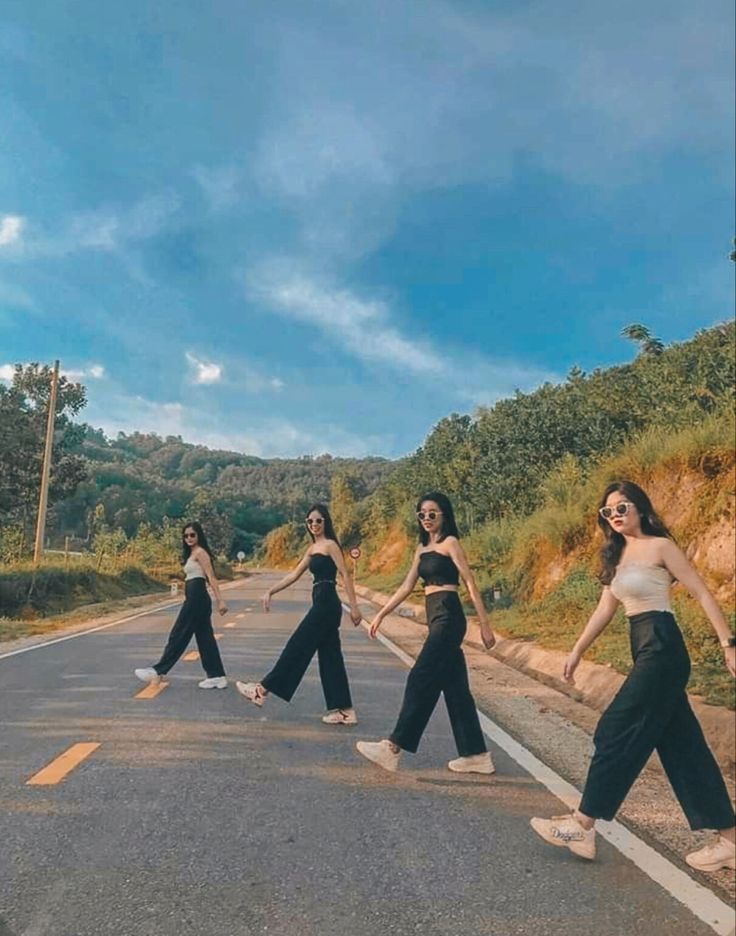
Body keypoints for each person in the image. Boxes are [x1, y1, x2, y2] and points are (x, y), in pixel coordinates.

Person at [530, 481, 736, 869]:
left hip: (662, 646)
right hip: (642, 644)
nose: (616, 515)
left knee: (615, 728)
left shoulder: (661, 546)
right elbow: (604, 609)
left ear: (640, 507)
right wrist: (576, 652)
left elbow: (703, 592)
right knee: (684, 748)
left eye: (622, 506)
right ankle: (731, 840)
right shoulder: (618, 556)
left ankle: (583, 823)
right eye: (608, 512)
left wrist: (728, 644)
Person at [355, 492, 496, 773]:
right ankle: (476, 755)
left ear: (444, 515)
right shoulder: (420, 549)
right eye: (422, 514)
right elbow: (407, 587)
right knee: (456, 689)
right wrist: (380, 614)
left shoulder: (451, 543)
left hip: (448, 615)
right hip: (434, 616)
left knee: (421, 676)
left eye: (433, 513)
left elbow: (469, 581)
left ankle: (394, 747)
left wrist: (485, 624)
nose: (427, 518)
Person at [236, 504, 362, 724]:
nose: (314, 524)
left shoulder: (331, 545)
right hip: (322, 602)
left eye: (319, 520)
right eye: (310, 521)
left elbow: (344, 574)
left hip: (326, 603)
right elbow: (294, 574)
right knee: (330, 657)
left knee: (297, 646)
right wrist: (270, 591)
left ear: (326, 522)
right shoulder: (312, 549)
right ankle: (345, 711)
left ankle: (261, 690)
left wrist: (354, 606)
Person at [134, 521, 229, 689]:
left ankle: (158, 670)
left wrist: (220, 600)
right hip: (194, 598)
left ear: (199, 535)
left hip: (197, 599)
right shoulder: (192, 553)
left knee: (179, 634)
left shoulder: (201, 553)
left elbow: (211, 577)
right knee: (205, 639)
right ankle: (217, 676)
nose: (189, 538)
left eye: (192, 535)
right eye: (186, 536)